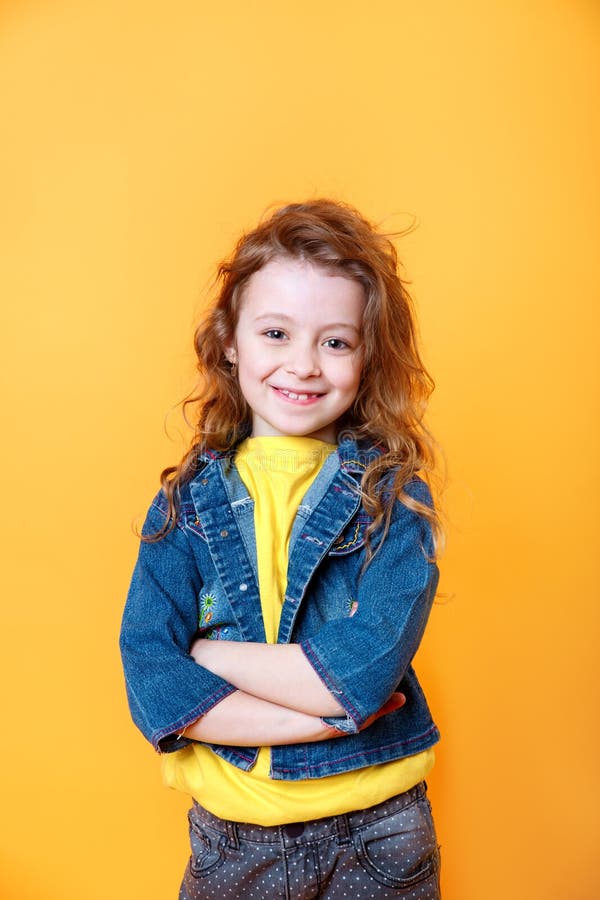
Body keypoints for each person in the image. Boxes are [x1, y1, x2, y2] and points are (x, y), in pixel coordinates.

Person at [120, 198, 443, 899]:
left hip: (380, 835)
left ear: (366, 358)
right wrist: (317, 723)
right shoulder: (183, 509)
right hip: (234, 843)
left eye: (335, 342)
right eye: (276, 332)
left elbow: (361, 674)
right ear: (230, 339)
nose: (304, 365)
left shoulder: (393, 500)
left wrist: (208, 656)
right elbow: (153, 684)